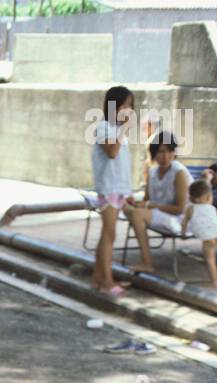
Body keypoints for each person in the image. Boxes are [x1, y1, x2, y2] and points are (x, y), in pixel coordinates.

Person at [89, 86, 135, 297]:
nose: (127, 110)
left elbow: (123, 165)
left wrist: (128, 191)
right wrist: (125, 128)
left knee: (107, 235)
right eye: (123, 106)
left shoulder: (118, 131)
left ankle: (98, 277)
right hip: (108, 189)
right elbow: (112, 153)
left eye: (130, 106)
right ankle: (107, 281)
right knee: (109, 234)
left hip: (118, 188)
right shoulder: (104, 128)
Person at [124, 132, 191, 273]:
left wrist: (150, 206)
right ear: (154, 153)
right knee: (125, 206)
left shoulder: (179, 172)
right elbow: (146, 201)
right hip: (161, 214)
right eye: (161, 152)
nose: (166, 156)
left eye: (170, 151)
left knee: (137, 215)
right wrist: (135, 203)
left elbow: (180, 209)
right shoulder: (153, 172)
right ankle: (144, 253)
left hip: (181, 219)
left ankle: (147, 263)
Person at [180, 179, 217, 288]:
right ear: (208, 197)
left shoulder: (190, 209)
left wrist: (183, 234)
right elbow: (213, 222)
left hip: (205, 237)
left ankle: (214, 281)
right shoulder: (212, 208)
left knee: (210, 260)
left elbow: (184, 223)